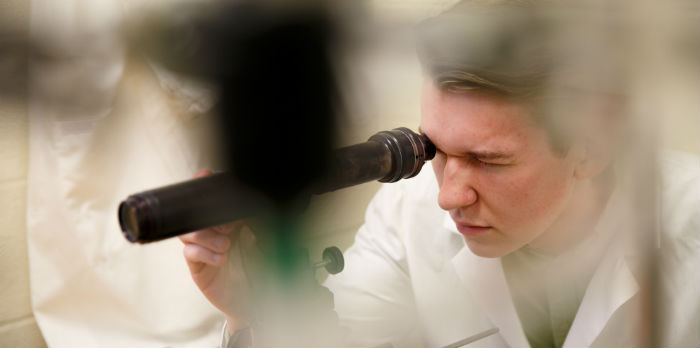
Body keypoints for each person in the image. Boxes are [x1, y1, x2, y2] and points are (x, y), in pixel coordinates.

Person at [179, 1, 699, 347]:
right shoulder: (409, 213)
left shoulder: (689, 227)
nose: (449, 196)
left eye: (489, 160)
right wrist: (257, 312)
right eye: (438, 151)